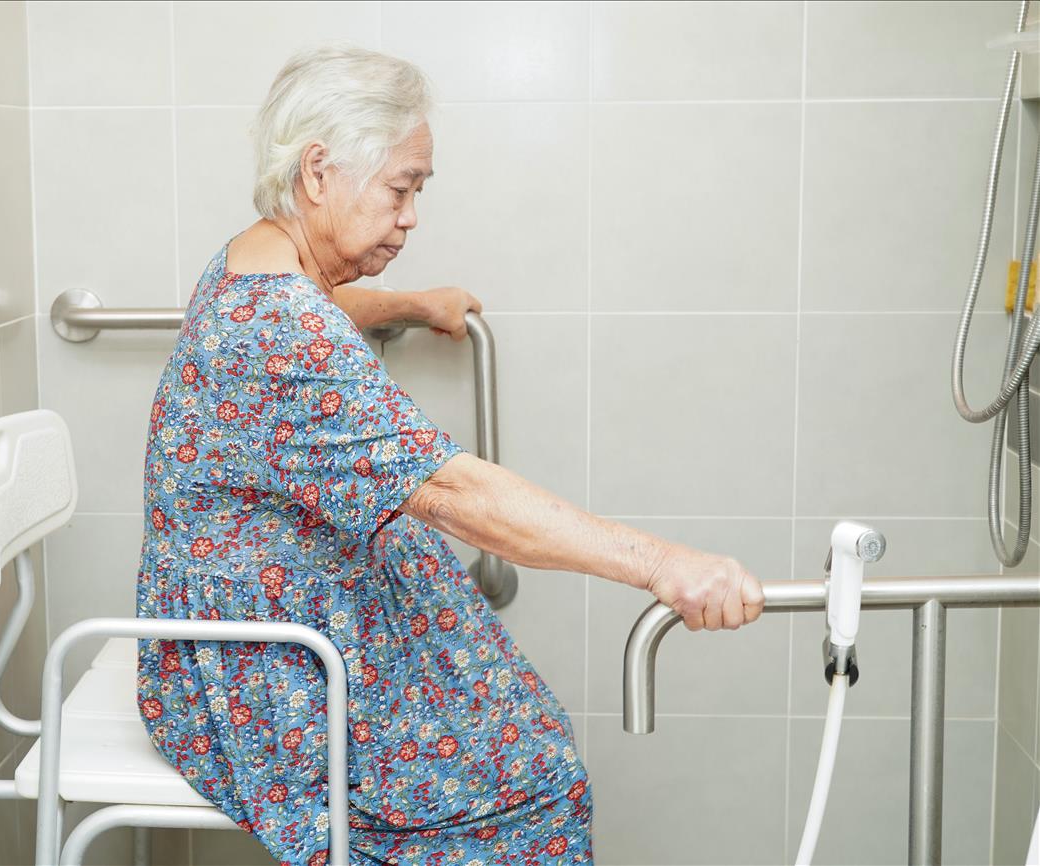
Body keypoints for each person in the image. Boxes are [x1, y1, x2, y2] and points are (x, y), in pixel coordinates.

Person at [135, 43, 765, 866]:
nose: (410, 217)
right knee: (527, 792)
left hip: (258, 610)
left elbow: (322, 305)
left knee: (512, 726)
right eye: (401, 189)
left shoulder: (256, 256)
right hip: (254, 665)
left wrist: (404, 303)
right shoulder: (285, 335)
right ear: (319, 172)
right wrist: (662, 565)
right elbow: (454, 493)